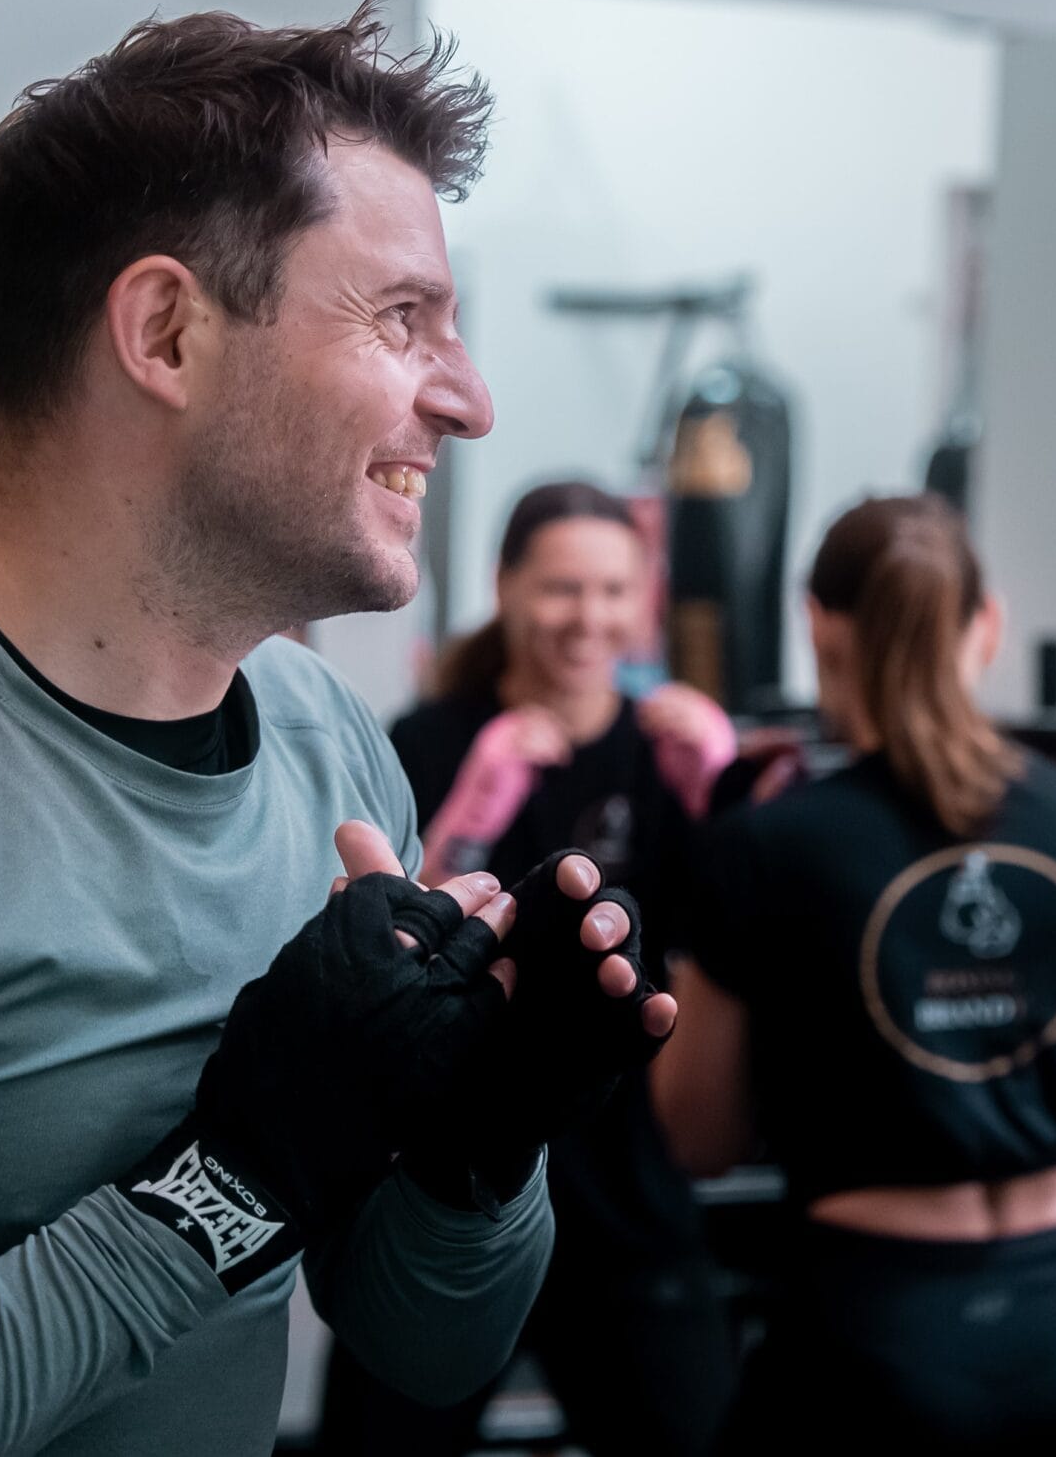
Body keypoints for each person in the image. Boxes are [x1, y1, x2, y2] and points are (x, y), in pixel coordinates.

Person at [0, 6, 673, 1455]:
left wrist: (482, 1146)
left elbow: (422, 1344)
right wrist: (232, 1178)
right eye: (401, 318)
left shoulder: (331, 747)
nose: (471, 400)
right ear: (168, 333)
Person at [652, 495, 1056, 1455]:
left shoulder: (761, 848)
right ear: (990, 624)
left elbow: (701, 1137)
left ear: (817, 626)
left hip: (881, 1326)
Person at [315, 479, 738, 1455]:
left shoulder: (661, 748)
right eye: (560, 588)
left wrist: (720, 799)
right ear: (505, 586)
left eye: (612, 590)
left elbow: (728, 947)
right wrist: (470, 814)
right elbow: (386, 954)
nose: (588, 617)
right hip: (451, 1163)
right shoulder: (431, 739)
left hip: (624, 1179)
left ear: (642, 599)